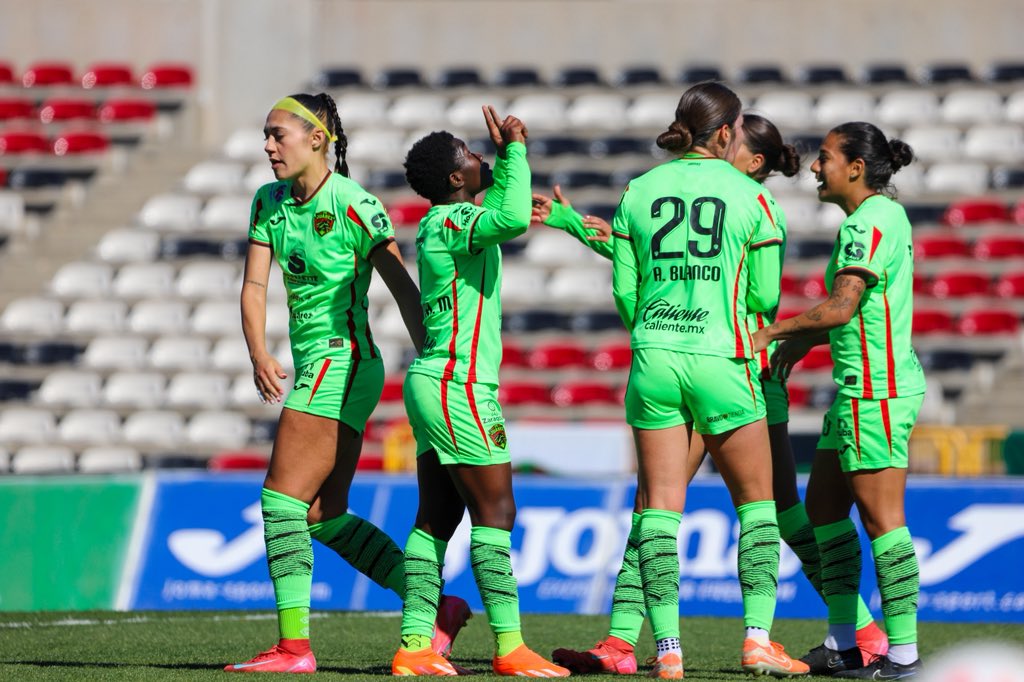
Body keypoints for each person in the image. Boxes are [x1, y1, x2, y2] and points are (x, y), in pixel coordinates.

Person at [537, 114, 864, 677]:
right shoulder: (746, 207)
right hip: (730, 368)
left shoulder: (714, 196)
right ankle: (620, 640)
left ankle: (860, 626)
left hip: (740, 373)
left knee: (779, 516)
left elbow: (641, 258)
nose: (727, 143)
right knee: (658, 512)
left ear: (753, 160)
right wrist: (574, 224)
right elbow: (664, 254)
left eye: (737, 141)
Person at [229, 93, 469, 673]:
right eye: (265, 135)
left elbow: (404, 290)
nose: (267, 146)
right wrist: (258, 349)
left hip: (344, 362)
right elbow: (255, 286)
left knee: (280, 502)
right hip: (317, 365)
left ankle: (294, 650)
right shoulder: (270, 201)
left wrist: (439, 360)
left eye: (277, 135)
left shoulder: (357, 205)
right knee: (322, 516)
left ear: (318, 139)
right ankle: (437, 607)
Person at [389, 106, 569, 678]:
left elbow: (504, 208)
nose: (481, 156)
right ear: (454, 179)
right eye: (471, 154)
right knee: (496, 511)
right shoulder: (448, 223)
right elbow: (514, 219)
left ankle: (416, 646)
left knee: (435, 521)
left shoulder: (451, 220)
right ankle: (510, 646)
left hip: (438, 382)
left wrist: (505, 163)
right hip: (457, 385)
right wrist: (516, 149)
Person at [752, 122, 924, 679]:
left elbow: (844, 305)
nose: (814, 167)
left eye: (825, 157)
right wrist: (805, 339)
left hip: (877, 393)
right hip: (860, 391)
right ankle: (843, 644)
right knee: (825, 510)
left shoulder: (868, 222)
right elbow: (860, 311)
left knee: (883, 522)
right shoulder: (880, 217)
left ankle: (902, 657)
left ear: (855, 167)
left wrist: (773, 333)